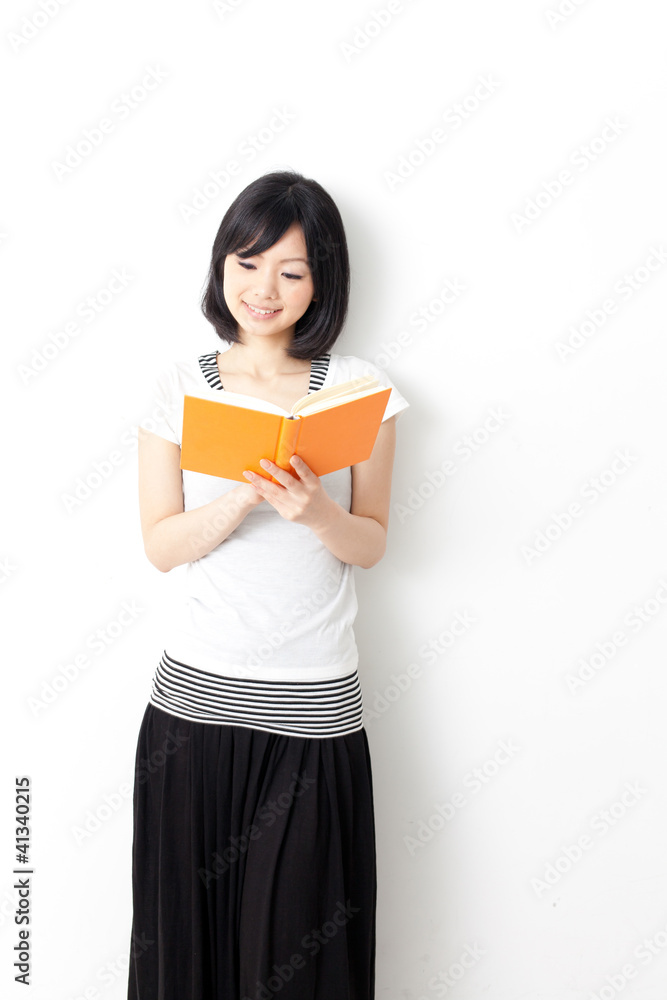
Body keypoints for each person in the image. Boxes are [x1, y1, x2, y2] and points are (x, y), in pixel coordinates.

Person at [126, 169, 410, 1000]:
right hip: (192, 714)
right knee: (188, 956)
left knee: (299, 965)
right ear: (222, 266)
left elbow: (371, 543)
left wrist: (313, 508)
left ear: (321, 281)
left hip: (313, 712)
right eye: (247, 263)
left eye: (291, 271)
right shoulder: (177, 386)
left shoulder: (360, 390)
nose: (264, 288)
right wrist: (245, 495)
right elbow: (160, 545)